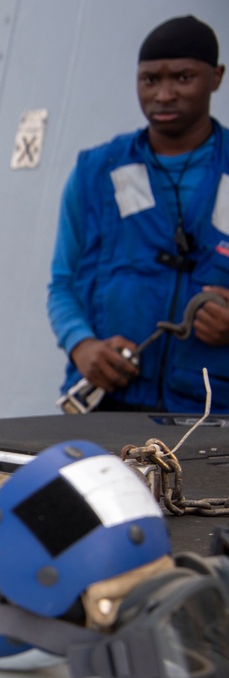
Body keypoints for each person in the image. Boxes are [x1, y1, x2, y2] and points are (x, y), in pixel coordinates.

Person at [48, 15, 229, 412]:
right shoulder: (95, 171)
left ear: (215, 77)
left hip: (208, 414)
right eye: (150, 80)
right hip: (107, 406)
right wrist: (82, 345)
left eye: (183, 78)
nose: (163, 94)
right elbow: (62, 284)